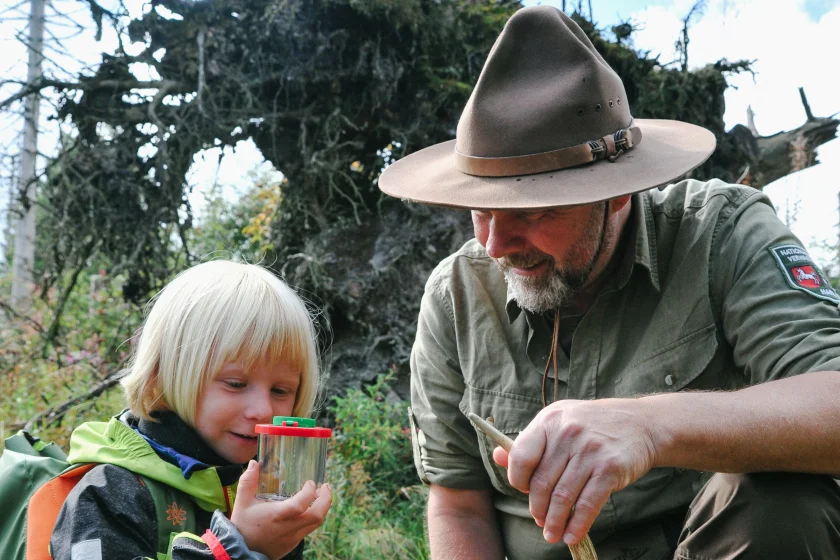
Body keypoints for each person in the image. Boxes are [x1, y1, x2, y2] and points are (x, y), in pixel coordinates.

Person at [378, 6, 840, 560]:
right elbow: (458, 502)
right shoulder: (456, 295)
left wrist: (650, 427)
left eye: (531, 211)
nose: (495, 245)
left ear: (618, 192)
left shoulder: (721, 235)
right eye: (481, 210)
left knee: (784, 499)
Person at [50, 260, 332, 560]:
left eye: (280, 390)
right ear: (164, 376)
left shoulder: (260, 488)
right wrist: (237, 549)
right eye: (236, 384)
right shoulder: (110, 494)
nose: (263, 410)